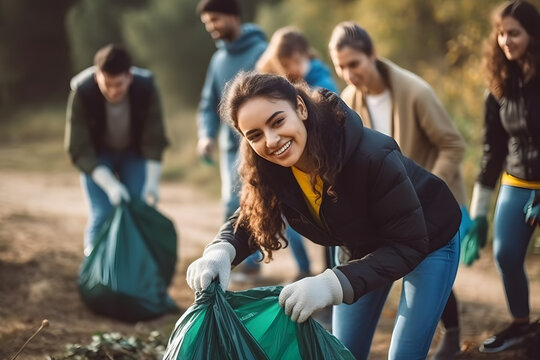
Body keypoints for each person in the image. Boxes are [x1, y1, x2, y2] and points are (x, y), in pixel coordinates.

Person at [186, 72, 462, 360]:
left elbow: (409, 244)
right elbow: (253, 215)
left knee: (403, 355)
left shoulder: (373, 155)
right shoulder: (272, 168)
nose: (271, 140)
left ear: (301, 109)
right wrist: (221, 250)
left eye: (277, 121)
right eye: (254, 135)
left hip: (428, 240)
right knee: (341, 352)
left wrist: (330, 284)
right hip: (360, 247)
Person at [328, 21, 469, 360]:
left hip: (435, 201)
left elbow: (452, 145)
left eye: (354, 64)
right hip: (388, 214)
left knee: (430, 264)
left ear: (372, 55)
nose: (348, 74)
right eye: (341, 67)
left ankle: (451, 333)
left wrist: (426, 193)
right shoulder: (347, 101)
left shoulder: (415, 91)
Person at [464, 0, 540, 353]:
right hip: (517, 181)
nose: (506, 41)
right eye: (501, 34)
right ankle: (521, 326)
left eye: (515, 33)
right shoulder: (499, 85)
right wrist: (479, 212)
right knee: (506, 256)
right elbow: (492, 150)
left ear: (532, 34)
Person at [65, 44, 168, 256]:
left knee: (133, 211)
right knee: (102, 213)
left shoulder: (146, 89)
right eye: (106, 84)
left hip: (133, 154)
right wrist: (110, 185)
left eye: (118, 85)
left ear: (129, 77)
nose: (112, 91)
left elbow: (154, 137)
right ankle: (94, 268)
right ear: (97, 77)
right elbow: (78, 148)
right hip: (97, 155)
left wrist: (152, 182)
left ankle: (127, 268)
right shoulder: (82, 93)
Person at [256, 26, 339, 279]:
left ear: (305, 54)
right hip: (292, 162)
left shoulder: (322, 82)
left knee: (332, 221)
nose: (291, 67)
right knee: (288, 210)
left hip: (323, 162)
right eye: (284, 63)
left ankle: (331, 272)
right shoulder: (280, 83)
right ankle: (303, 269)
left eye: (294, 61)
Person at [196, 0, 267, 276]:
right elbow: (208, 103)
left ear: (232, 16)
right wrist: (206, 135)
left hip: (257, 143)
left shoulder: (261, 52)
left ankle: (255, 264)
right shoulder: (218, 60)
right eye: (207, 23)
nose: (211, 27)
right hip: (229, 146)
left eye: (215, 20)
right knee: (231, 204)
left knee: (257, 202)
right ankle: (243, 264)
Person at [256, 26, 338, 93]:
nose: (292, 68)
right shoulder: (284, 85)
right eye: (284, 65)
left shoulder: (324, 85)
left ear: (305, 54)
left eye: (296, 61)